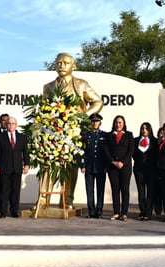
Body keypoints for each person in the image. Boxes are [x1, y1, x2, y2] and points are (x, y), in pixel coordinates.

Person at [41, 52, 103, 209]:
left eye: (66, 63)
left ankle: (67, 200)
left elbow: (97, 102)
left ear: (73, 66)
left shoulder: (80, 84)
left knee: (70, 167)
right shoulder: (48, 87)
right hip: (53, 134)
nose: (62, 66)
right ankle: (43, 201)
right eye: (59, 63)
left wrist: (83, 116)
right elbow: (43, 110)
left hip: (74, 134)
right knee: (48, 166)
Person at [0, 117, 29, 218]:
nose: (11, 125)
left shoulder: (22, 137)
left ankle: (14, 210)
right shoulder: (0, 137)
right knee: (4, 190)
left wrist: (26, 164)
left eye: (13, 123)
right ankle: (3, 211)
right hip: (4, 167)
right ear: (6, 125)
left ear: (16, 125)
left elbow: (25, 152)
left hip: (17, 168)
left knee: (15, 190)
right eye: (9, 124)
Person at [104, 115, 134, 221]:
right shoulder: (109, 135)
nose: (118, 124)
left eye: (120, 122)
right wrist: (113, 161)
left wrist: (122, 162)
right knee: (115, 189)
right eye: (116, 122)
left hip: (125, 166)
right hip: (112, 166)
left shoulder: (129, 135)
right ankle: (116, 212)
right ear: (114, 124)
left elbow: (131, 151)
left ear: (124, 124)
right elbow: (106, 150)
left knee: (125, 189)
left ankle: (124, 213)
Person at [81, 113, 107, 219]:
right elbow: (82, 151)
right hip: (89, 166)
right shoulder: (86, 135)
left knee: (100, 190)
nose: (95, 123)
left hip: (101, 167)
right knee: (89, 190)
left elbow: (107, 152)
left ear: (100, 122)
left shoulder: (105, 135)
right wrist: (82, 165)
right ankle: (91, 211)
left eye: (97, 121)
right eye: (93, 121)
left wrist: (106, 165)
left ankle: (99, 211)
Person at [133, 122, 158, 221]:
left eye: (146, 128)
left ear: (149, 130)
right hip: (139, 169)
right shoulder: (136, 140)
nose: (144, 130)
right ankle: (142, 211)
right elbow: (133, 154)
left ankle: (148, 213)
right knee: (141, 191)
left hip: (151, 169)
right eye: (142, 128)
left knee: (150, 191)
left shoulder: (154, 141)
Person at [153, 127, 165, 217]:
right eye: (160, 133)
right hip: (155, 170)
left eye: (163, 133)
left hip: (164, 171)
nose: (162, 135)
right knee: (156, 192)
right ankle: (158, 211)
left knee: (164, 191)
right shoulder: (154, 143)